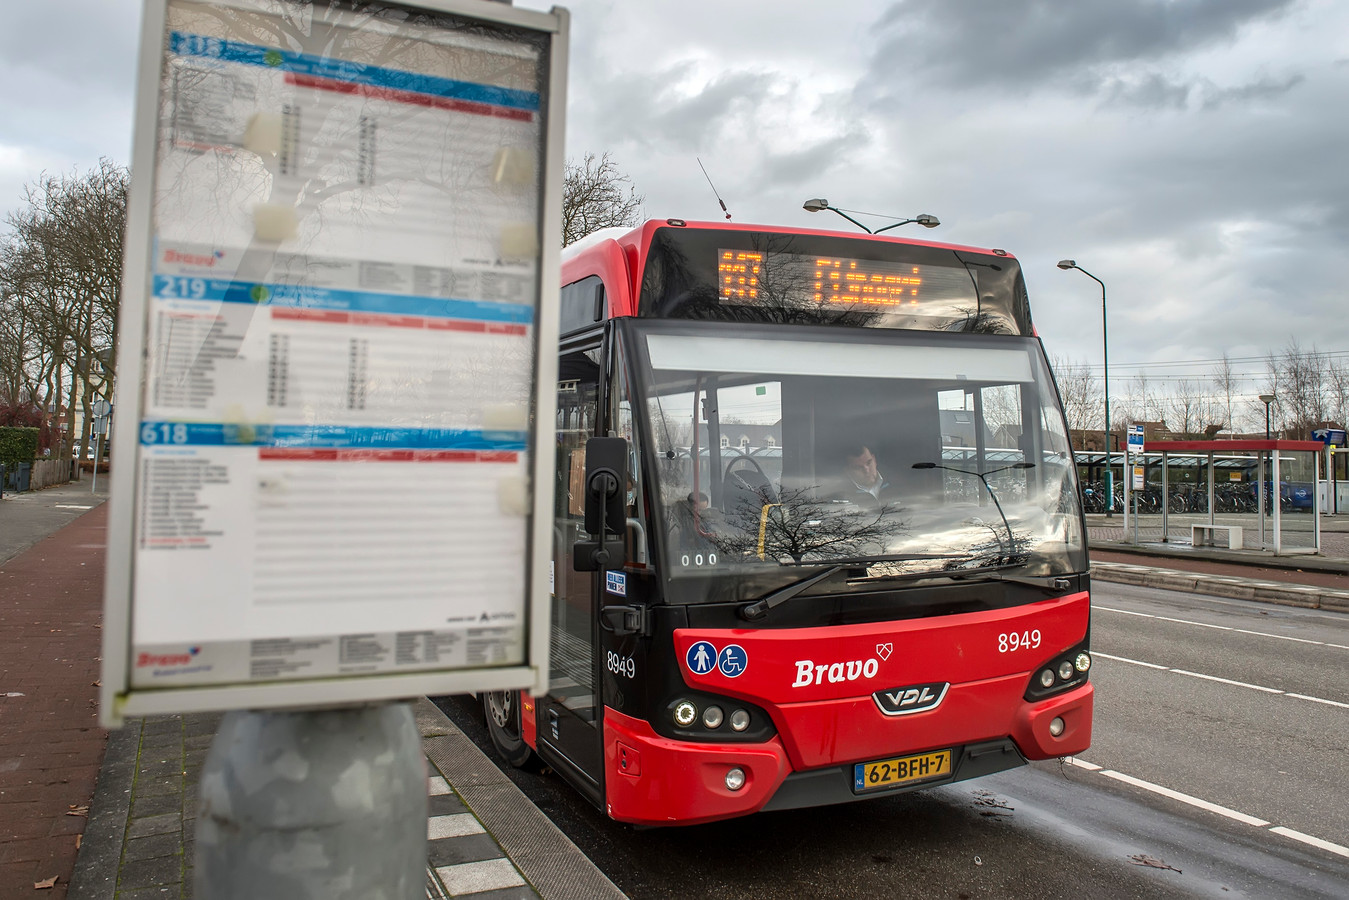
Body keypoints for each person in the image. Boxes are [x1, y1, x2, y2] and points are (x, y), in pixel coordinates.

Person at [832, 443, 901, 509]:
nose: (867, 471)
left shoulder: (899, 483)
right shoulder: (840, 499)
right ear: (847, 470)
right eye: (858, 467)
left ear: (874, 460)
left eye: (869, 463)